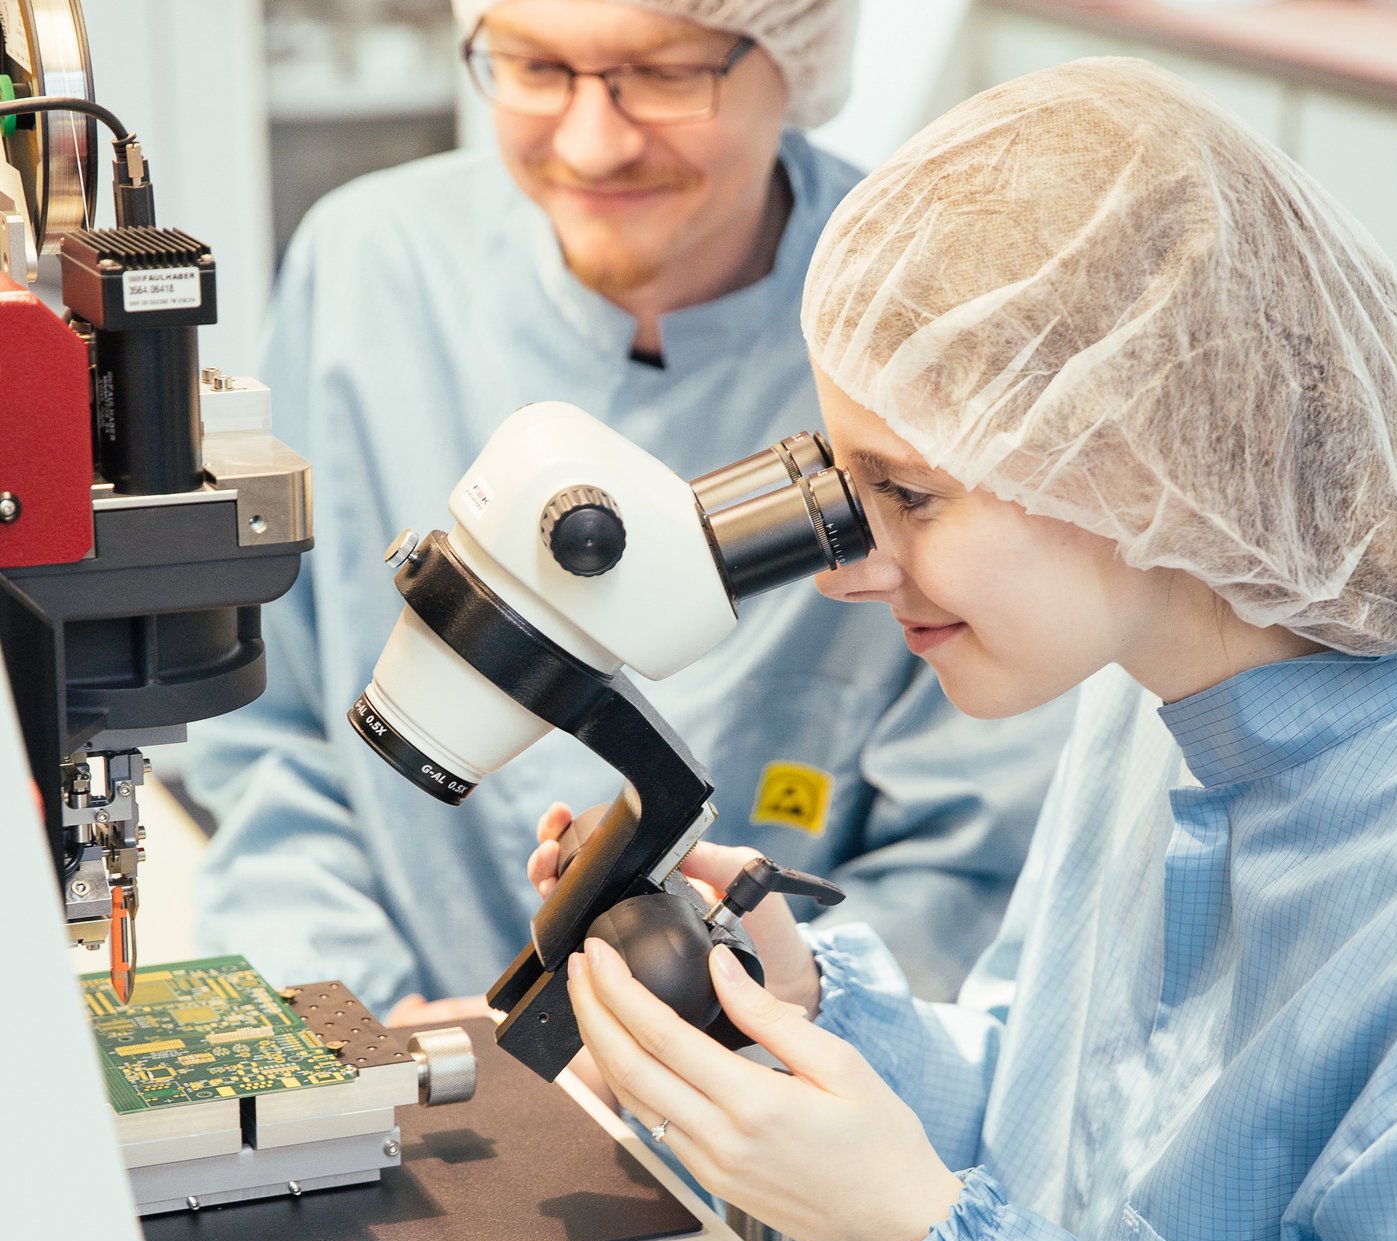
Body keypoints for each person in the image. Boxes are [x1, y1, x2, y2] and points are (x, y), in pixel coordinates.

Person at [549, 59, 1397, 1241]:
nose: (846, 571)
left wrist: (910, 1234)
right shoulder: (1164, 671)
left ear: (1140, 455)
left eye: (910, 494)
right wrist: (808, 1011)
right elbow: (1076, 1127)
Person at [183, 0, 1072, 1020]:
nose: (593, 143)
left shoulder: (935, 324)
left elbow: (967, 863)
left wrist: (743, 1037)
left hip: (761, 1106)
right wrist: (363, 1026)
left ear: (794, 56)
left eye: (662, 74)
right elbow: (269, 739)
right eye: (536, 64)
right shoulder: (369, 269)